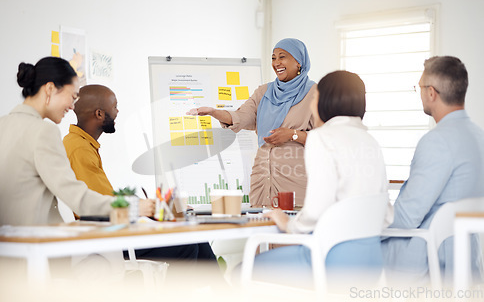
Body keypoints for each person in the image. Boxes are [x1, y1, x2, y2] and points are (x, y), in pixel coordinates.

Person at [239, 70, 392, 289]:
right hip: (371, 261)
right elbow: (385, 214)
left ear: (326, 101)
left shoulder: (322, 138)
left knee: (242, 271)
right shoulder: (369, 141)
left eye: (314, 98)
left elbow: (316, 210)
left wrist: (288, 224)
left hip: (329, 260)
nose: (312, 106)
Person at [0, 57, 152, 229]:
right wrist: (134, 208)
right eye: (72, 97)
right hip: (37, 247)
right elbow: (77, 197)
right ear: (49, 88)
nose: (72, 107)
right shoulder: (44, 132)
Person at [63, 84, 217, 264]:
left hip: (111, 229)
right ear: (99, 114)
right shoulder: (79, 149)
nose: (117, 111)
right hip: (104, 238)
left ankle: (222, 291)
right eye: (114, 107)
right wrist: (151, 210)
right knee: (187, 246)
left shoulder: (81, 143)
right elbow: (98, 206)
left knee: (195, 237)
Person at [381, 56, 484, 285]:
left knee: (356, 249)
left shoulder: (437, 141)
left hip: (430, 262)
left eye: (418, 87)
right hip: (468, 262)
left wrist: (369, 215)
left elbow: (406, 217)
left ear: (431, 93)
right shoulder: (479, 137)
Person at [187, 38, 317, 207]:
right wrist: (214, 112)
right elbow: (242, 116)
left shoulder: (314, 93)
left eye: (282, 57)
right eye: (273, 58)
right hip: (263, 182)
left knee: (292, 229)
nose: (276, 63)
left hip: (294, 183)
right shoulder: (264, 92)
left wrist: (292, 134)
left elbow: (324, 138)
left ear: (299, 62)